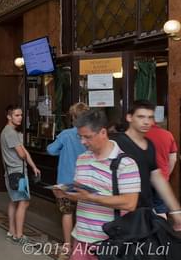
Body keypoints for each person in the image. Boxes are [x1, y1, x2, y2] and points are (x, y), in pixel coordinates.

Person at [54, 109, 141, 260]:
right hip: (80, 238)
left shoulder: (126, 164)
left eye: (87, 137)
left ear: (102, 132)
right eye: (80, 137)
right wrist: (66, 194)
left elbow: (130, 203)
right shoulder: (82, 158)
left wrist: (92, 198)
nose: (82, 142)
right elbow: (80, 195)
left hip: (110, 242)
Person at [113, 100, 181, 228]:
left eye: (150, 117)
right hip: (122, 213)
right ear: (129, 117)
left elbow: (156, 177)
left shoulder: (149, 145)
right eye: (141, 117)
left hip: (144, 212)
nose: (146, 122)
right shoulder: (117, 144)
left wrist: (176, 210)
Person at [46, 102, 89, 257]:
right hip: (85, 182)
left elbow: (50, 150)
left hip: (65, 182)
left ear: (73, 117)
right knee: (84, 214)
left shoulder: (66, 134)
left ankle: (67, 246)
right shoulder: (91, 134)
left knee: (67, 213)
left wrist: (63, 152)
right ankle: (82, 247)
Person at [1, 106, 40, 244]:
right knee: (24, 202)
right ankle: (19, 235)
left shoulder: (11, 132)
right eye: (17, 115)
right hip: (18, 173)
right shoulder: (10, 133)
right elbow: (22, 153)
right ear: (9, 116)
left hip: (12, 173)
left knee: (14, 201)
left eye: (21, 115)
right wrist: (22, 149)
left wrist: (33, 166)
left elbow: (23, 151)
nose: (20, 117)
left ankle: (11, 231)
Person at [145, 120, 178, 217]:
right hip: (161, 178)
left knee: (143, 210)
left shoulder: (138, 135)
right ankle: (162, 232)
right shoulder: (167, 134)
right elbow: (173, 159)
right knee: (160, 210)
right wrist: (166, 174)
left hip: (142, 179)